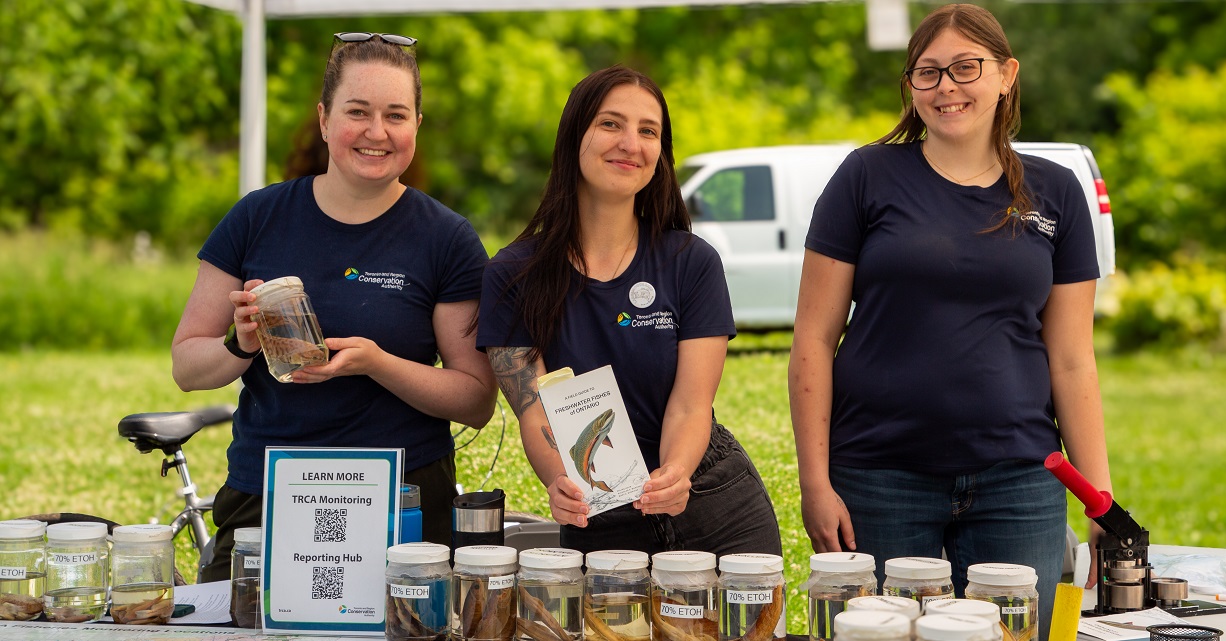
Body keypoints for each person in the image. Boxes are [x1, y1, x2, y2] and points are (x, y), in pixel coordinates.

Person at [788, 5, 1111, 640]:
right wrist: (815, 483)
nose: (947, 87)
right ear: (910, 86)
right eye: (928, 72)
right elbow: (813, 341)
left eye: (967, 68)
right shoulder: (867, 175)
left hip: (1019, 480)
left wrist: (1099, 498)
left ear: (1006, 75)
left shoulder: (1058, 193)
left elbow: (1072, 358)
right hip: (879, 477)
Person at [172, 33, 497, 582]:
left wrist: (378, 364)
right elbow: (186, 366)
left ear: (417, 123)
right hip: (270, 492)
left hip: (402, 498)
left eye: (396, 114)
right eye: (357, 112)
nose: (377, 132)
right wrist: (240, 343)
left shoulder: (447, 239)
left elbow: (475, 399)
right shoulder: (257, 217)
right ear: (324, 120)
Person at [477, 65, 780, 556]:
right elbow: (535, 411)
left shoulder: (691, 261)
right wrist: (559, 480)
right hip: (598, 514)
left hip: (713, 502)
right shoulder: (513, 274)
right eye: (610, 124)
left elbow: (690, 404)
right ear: (576, 134)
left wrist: (675, 474)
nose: (630, 143)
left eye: (648, 131)